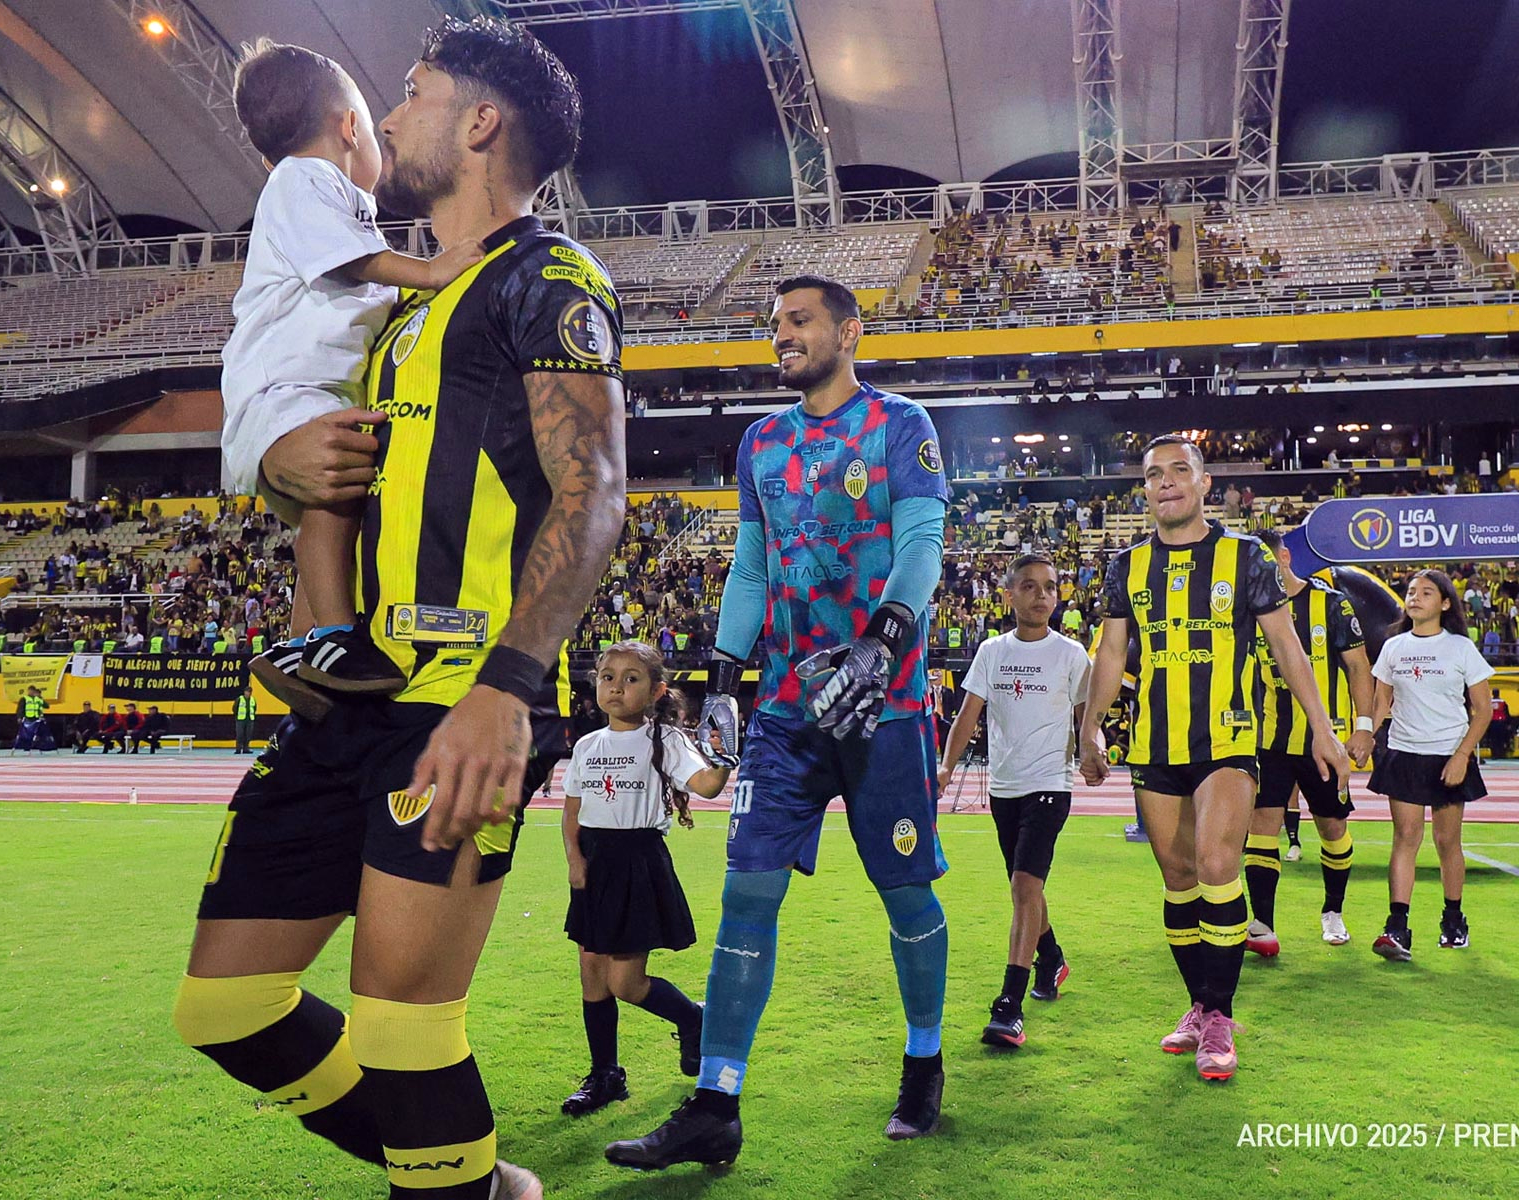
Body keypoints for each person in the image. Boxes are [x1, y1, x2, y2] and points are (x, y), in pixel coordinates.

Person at [172, 18, 620, 1200]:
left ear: (480, 122)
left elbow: (595, 492)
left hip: (458, 699)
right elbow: (335, 483)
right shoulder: (388, 314)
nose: (390, 112)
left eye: (414, 92)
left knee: (402, 1022)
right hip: (352, 696)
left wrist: (506, 691)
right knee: (224, 1004)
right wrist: (288, 468)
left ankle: (449, 1183)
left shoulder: (546, 278)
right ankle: (470, 1179)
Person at [606, 274, 950, 1170]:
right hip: (788, 717)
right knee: (747, 896)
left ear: (850, 331)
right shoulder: (762, 442)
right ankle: (716, 1102)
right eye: (774, 325)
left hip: (884, 708)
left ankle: (924, 1061)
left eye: (799, 321)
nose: (781, 335)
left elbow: (922, 547)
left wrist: (880, 644)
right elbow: (752, 570)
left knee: (906, 893)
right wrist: (723, 679)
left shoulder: (901, 425)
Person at [221, 39, 485, 721]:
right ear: (348, 126)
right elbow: (346, 260)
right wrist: (429, 272)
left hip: (301, 392)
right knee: (335, 507)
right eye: (371, 124)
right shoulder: (304, 179)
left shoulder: (315, 191)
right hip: (288, 390)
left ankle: (302, 647)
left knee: (330, 521)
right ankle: (339, 637)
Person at [1079, 435, 1348, 1082]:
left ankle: (1222, 1018)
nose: (1166, 482)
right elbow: (1111, 654)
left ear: (1204, 484)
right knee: (1178, 879)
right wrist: (1088, 728)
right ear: (1145, 491)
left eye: (1179, 470)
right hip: (1154, 743)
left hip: (1228, 738)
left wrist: (1322, 728)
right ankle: (1200, 1005)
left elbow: (1287, 647)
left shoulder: (1247, 556)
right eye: (1154, 474)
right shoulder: (1125, 566)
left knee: (1218, 864)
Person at [560, 643, 727, 1118]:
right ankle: (605, 1075)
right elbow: (572, 813)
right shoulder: (587, 745)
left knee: (625, 983)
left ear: (656, 691)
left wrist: (724, 756)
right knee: (592, 975)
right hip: (594, 862)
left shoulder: (665, 739)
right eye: (607, 677)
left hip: (638, 862)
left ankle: (693, 1018)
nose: (616, 686)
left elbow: (707, 786)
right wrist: (574, 861)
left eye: (631, 678)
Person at [936, 553, 1090, 1050]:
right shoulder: (991, 652)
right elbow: (967, 715)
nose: (1042, 595)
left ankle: (1009, 1006)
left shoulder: (1072, 655)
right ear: (1008, 595)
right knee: (1027, 889)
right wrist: (946, 767)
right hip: (1004, 788)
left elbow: (1088, 718)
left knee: (1024, 887)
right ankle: (1052, 958)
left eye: (1050, 586)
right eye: (1029, 586)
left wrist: (1094, 748)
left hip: (1050, 783)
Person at [1245, 531, 1376, 954]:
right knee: (1261, 826)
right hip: (1269, 738)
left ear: (1285, 557)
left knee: (1332, 827)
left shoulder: (1330, 603)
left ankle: (1333, 910)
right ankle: (1262, 923)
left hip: (1325, 740)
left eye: (1269, 561)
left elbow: (1358, 667)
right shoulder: (1250, 609)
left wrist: (1363, 727)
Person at [1366, 570, 1493, 960]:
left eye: (1426, 593)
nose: (1415, 598)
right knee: (1405, 837)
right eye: (1411, 592)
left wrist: (1461, 756)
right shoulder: (1393, 647)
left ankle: (1453, 920)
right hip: (1404, 753)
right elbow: (1380, 702)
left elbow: (1483, 710)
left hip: (1448, 754)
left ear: (1445, 603)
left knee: (1446, 841)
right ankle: (1397, 927)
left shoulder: (1460, 648)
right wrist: (1364, 734)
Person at [11, 685, 50, 756]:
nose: (31, 692)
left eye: (32, 691)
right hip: (28, 718)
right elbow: (20, 708)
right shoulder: (24, 699)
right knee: (26, 734)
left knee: (37, 734)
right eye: (30, 691)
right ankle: (26, 747)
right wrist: (19, 717)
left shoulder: (37, 699)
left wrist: (40, 698)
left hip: (36, 719)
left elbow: (47, 706)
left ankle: (37, 747)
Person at [234, 684, 258, 755]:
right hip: (240, 720)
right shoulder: (239, 699)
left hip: (250, 720)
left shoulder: (253, 700)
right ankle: (238, 749)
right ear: (244, 692)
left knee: (248, 735)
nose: (248, 693)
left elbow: (254, 709)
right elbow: (235, 708)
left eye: (249, 692)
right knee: (240, 735)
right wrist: (237, 716)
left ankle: (246, 749)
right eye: (247, 691)